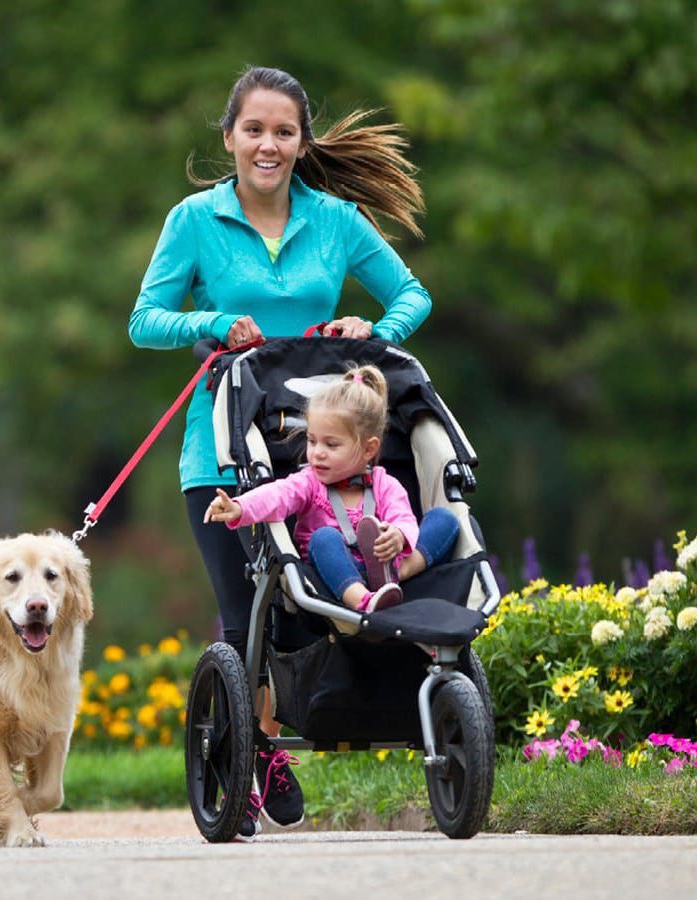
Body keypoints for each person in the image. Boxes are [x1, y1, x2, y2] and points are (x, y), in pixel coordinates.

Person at [128, 65, 433, 841]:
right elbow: (145, 320)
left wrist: (373, 331)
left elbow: (412, 296)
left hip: (320, 449)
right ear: (229, 137)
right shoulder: (194, 220)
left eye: (283, 131)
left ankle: (284, 725)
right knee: (246, 619)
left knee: (304, 610)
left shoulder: (334, 220)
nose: (268, 144)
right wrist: (215, 319)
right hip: (222, 449)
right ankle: (257, 754)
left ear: (301, 142)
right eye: (254, 130)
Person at [204, 365, 460, 613]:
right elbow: (276, 495)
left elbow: (402, 516)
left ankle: (398, 574)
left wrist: (398, 536)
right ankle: (362, 599)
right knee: (323, 538)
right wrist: (239, 507)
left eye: (331, 445)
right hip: (333, 571)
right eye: (312, 441)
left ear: (369, 449)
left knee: (445, 519)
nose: (317, 453)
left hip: (386, 562)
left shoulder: (385, 484)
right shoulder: (309, 482)